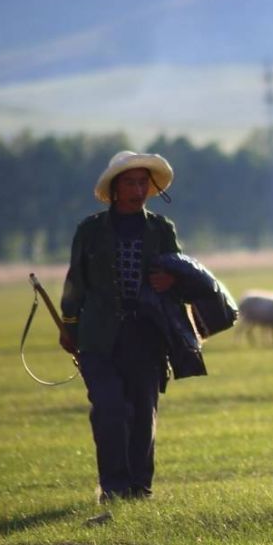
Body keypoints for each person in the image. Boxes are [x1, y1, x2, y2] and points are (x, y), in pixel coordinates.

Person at [60, 150, 185, 503]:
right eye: (130, 182)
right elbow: (75, 282)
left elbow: (180, 275)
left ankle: (139, 489)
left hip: (146, 335)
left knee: (144, 413)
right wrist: (69, 325)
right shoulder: (90, 230)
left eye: (143, 182)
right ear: (115, 188)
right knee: (110, 409)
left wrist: (169, 281)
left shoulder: (162, 230)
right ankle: (113, 487)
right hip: (98, 337)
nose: (137, 188)